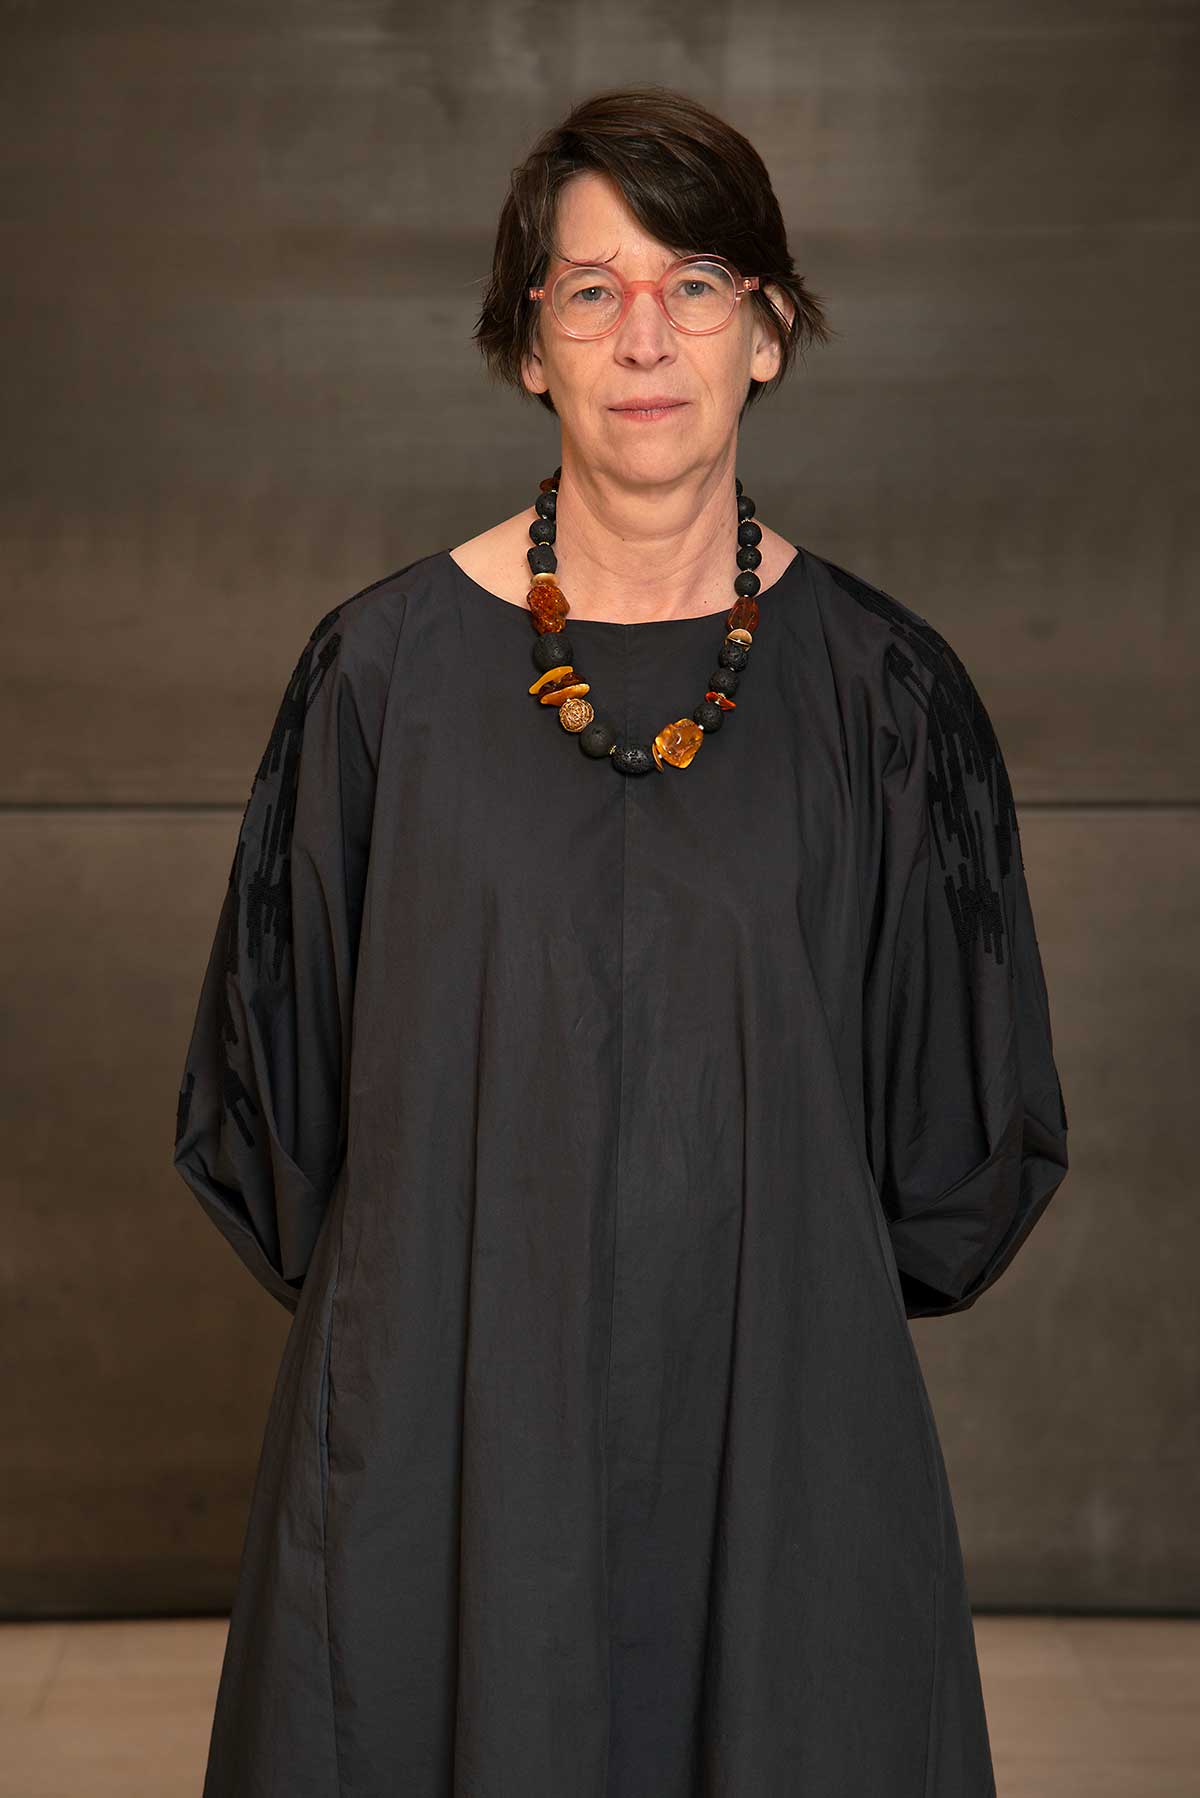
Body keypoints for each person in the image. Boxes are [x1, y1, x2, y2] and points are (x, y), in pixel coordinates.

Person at [172, 85, 1069, 1797]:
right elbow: (268, 1125)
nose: (645, 336)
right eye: (591, 290)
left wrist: (740, 1295)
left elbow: (964, 1152)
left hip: (783, 1465)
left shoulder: (887, 697)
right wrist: (468, 1302)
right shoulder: (377, 679)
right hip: (443, 1479)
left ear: (773, 334)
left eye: (698, 283)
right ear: (528, 345)